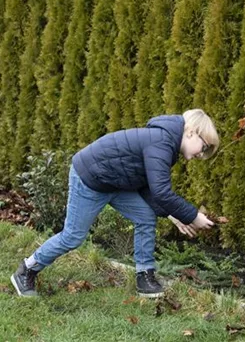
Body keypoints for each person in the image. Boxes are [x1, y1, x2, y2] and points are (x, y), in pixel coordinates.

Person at [11, 109, 219, 298]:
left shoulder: (165, 143)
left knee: (145, 217)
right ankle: (27, 270)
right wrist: (193, 216)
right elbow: (161, 192)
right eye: (205, 146)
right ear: (191, 131)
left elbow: (147, 187)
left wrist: (171, 214)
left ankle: (144, 277)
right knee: (73, 236)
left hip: (114, 183)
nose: (202, 153)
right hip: (90, 179)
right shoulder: (162, 142)